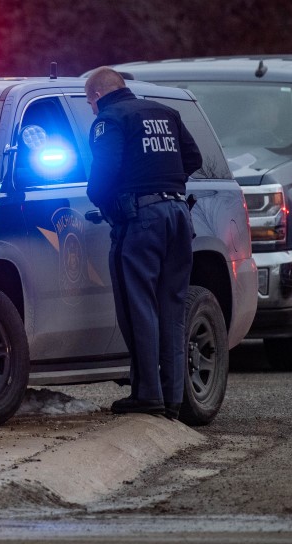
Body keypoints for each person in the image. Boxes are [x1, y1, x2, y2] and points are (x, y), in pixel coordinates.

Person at [84, 67, 202, 419]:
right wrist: (164, 180)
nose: (92, 110)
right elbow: (193, 159)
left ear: (97, 97)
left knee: (139, 308)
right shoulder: (165, 113)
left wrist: (109, 204)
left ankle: (148, 395)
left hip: (141, 220)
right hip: (179, 216)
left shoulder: (110, 118)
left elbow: (103, 174)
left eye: (91, 104)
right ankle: (173, 398)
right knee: (172, 308)